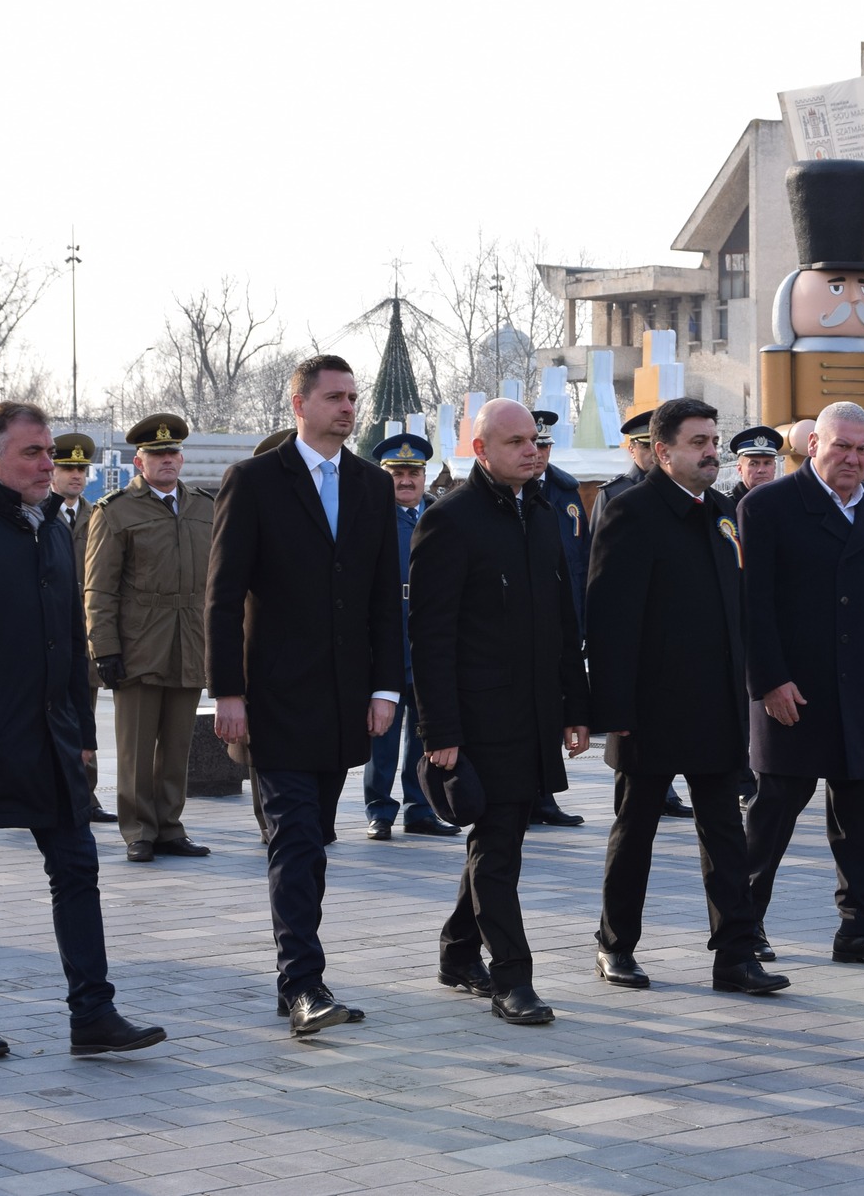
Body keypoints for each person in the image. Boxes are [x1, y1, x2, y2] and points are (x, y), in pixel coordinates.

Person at [0, 401, 165, 1061]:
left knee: (77, 866)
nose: (49, 463)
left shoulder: (51, 526)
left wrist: (80, 729)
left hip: (49, 739)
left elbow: (69, 642)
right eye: (32, 452)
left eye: (50, 451)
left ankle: (93, 1011)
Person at [208, 356, 406, 1037]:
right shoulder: (256, 481)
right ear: (300, 404)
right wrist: (227, 691)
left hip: (344, 698)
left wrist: (385, 687)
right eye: (334, 397)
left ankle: (299, 974)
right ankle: (302, 983)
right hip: (273, 698)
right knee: (294, 839)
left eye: (353, 397)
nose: (348, 408)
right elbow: (223, 595)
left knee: (313, 838)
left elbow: (384, 597)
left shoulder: (372, 485)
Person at [584, 397, 788, 996]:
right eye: (698, 442)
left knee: (724, 831)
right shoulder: (631, 511)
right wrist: (613, 710)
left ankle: (735, 956)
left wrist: (759, 684)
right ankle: (615, 945)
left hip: (717, 706)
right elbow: (609, 621)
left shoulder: (723, 512)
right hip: (650, 709)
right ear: (664, 451)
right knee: (636, 829)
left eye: (713, 440)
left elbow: (744, 609)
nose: (711, 452)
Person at [409, 398, 591, 1026]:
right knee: (499, 846)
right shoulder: (451, 520)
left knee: (501, 838)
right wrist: (440, 733)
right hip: (478, 718)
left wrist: (575, 704)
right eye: (516, 442)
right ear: (481, 449)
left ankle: (460, 951)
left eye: (536, 441)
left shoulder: (543, 512)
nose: (531, 451)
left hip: (536, 712)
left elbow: (565, 620)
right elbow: (429, 638)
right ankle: (511, 977)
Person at [739, 400, 864, 968]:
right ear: (812, 446)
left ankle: (860, 930)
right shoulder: (768, 506)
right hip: (794, 689)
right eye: (840, 446)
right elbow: (753, 605)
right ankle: (742, 928)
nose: (852, 458)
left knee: (860, 813)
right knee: (775, 809)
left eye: (863, 449)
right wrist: (769, 680)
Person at [86, 415, 214, 863]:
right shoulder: (116, 511)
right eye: (157, 455)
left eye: (173, 453)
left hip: (190, 639)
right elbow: (99, 588)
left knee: (178, 745)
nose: (167, 461)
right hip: (139, 641)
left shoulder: (205, 507)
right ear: (139, 461)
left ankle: (169, 827)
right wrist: (104, 648)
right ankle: (138, 829)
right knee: (137, 746)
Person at [360, 433, 459, 840]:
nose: (405, 480)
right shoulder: (369, 520)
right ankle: (379, 810)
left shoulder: (440, 517)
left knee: (427, 729)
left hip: (431, 638)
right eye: (397, 473)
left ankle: (421, 809)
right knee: (382, 732)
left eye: (413, 473)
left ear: (425, 476)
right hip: (387, 636)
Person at [529, 409, 598, 827]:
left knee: (556, 709)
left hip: (564, 619)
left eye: (544, 445)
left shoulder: (567, 492)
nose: (537, 453)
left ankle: (546, 795)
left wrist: (584, 620)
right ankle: (527, 794)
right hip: (526, 621)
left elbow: (585, 561)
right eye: (531, 444)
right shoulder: (511, 490)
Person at [49, 433, 115, 824]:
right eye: (67, 468)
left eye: (80, 469)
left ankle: (85, 798)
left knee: (84, 719)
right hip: (46, 635)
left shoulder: (99, 514)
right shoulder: (39, 514)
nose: (76, 476)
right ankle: (46, 794)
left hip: (85, 638)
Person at [587, 410, 654, 534]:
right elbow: (596, 546)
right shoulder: (612, 493)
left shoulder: (675, 487)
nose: (654, 453)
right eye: (646, 447)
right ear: (631, 450)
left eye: (657, 447)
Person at [728, 425, 783, 507]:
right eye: (753, 464)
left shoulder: (784, 503)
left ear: (774, 467)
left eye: (767, 463)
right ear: (740, 469)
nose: (761, 470)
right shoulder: (725, 505)